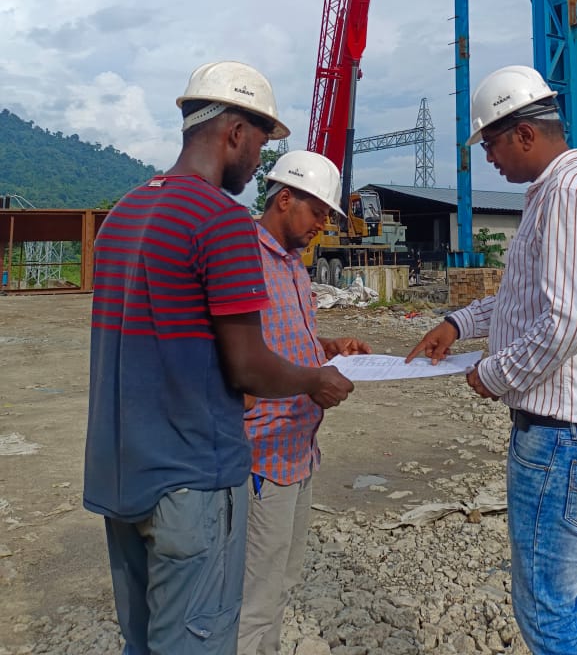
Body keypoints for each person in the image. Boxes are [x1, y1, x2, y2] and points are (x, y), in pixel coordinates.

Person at [83, 62, 354, 655]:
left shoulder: (122, 216)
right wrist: (315, 378)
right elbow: (247, 366)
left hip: (120, 474)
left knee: (142, 641)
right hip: (190, 480)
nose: (257, 162)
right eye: (259, 142)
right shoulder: (221, 220)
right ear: (235, 132)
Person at [406, 65, 577, 655]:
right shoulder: (554, 195)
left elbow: (568, 322)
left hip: (566, 439)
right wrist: (457, 323)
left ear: (526, 134)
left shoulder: (568, 197)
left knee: (545, 614)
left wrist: (493, 374)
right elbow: (525, 300)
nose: (488, 158)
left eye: (490, 144)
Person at [239, 151, 370, 655]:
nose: (322, 225)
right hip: (262, 457)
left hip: (299, 453)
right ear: (284, 198)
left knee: (281, 582)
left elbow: (283, 341)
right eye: (317, 212)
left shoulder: (293, 265)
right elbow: (241, 362)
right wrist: (311, 380)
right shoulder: (244, 259)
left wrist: (327, 348)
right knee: (253, 596)